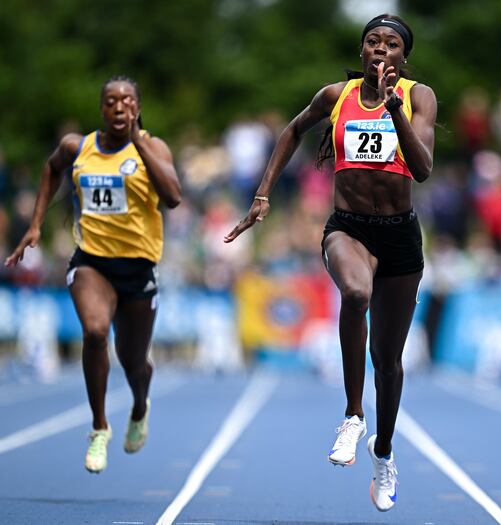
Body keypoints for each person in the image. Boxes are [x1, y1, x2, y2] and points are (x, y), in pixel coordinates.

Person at [224, 14, 436, 512]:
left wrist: (393, 110)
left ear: (403, 57)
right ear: (361, 52)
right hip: (348, 227)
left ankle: (383, 453)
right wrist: (262, 193)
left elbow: (423, 168)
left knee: (389, 361)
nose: (380, 50)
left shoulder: (417, 96)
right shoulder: (334, 97)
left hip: (400, 235)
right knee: (356, 293)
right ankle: (353, 415)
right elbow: (292, 131)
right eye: (372, 42)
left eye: (390, 45)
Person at [5, 76, 182, 473]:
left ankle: (139, 406)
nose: (119, 107)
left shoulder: (153, 147)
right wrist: (36, 224)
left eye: (127, 101)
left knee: (135, 362)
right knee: (95, 331)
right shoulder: (78, 147)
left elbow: (172, 197)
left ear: (137, 107)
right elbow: (51, 169)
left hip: (138, 268)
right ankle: (99, 427)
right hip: (92, 262)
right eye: (111, 101)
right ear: (101, 108)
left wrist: (138, 142)